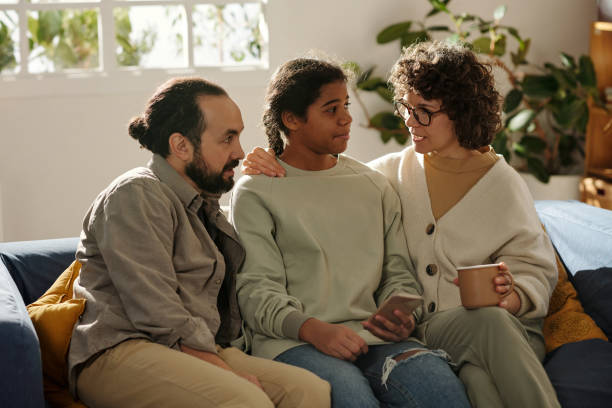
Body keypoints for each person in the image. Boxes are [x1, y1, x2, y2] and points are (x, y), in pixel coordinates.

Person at [242, 42, 561, 408]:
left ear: (461, 111)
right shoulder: (388, 174)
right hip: (424, 330)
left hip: (487, 327)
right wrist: (265, 156)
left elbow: (534, 269)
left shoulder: (502, 184)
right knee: (472, 374)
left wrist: (511, 294)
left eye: (423, 112)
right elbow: (318, 176)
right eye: (406, 108)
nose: (410, 120)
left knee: (482, 368)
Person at [67, 77, 331, 408]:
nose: (240, 152)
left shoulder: (202, 203)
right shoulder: (137, 194)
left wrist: (262, 182)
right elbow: (156, 311)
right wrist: (225, 372)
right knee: (247, 401)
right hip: (121, 350)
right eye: (228, 138)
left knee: (308, 391)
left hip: (194, 346)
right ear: (181, 146)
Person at [230, 57, 471, 408]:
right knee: (350, 395)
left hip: (376, 339)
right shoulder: (256, 191)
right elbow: (256, 290)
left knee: (440, 389)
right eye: (331, 109)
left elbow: (397, 271)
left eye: (345, 105)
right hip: (295, 341)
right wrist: (312, 329)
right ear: (291, 119)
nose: (346, 118)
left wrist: (403, 317)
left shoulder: (373, 185)